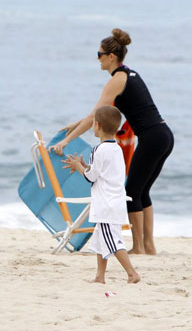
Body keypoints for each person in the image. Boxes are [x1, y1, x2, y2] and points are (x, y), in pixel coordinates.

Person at [50, 28, 173, 255]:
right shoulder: (129, 74)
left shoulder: (116, 80)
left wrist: (66, 141)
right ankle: (149, 247)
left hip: (152, 138)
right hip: (163, 135)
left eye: (99, 54)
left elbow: (96, 116)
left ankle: (138, 247)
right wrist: (75, 125)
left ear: (111, 57)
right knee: (142, 192)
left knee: (132, 192)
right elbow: (101, 114)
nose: (97, 58)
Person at [62, 105, 140, 284]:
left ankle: (132, 273)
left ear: (96, 125)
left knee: (112, 241)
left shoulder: (98, 149)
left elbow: (91, 177)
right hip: (116, 202)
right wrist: (86, 165)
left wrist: (78, 167)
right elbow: (103, 173)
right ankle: (100, 276)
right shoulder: (117, 149)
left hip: (106, 204)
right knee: (100, 240)